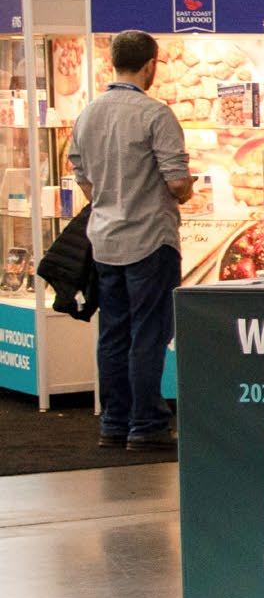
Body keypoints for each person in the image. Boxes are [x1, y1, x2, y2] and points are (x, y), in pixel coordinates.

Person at [69, 31, 189, 452]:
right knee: (149, 333)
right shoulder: (156, 114)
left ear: (113, 62)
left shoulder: (89, 113)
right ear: (150, 65)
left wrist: (108, 200)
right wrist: (185, 190)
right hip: (151, 239)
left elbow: (82, 175)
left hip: (105, 241)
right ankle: (147, 424)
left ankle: (114, 422)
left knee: (113, 333)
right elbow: (177, 183)